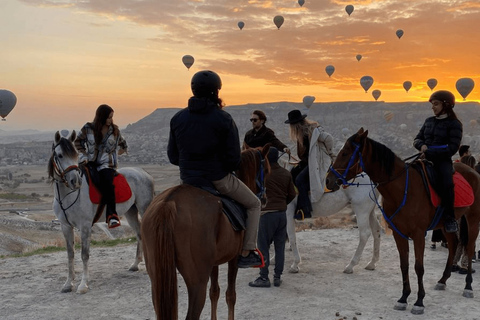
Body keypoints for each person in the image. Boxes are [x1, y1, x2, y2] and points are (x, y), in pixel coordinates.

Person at [167, 70, 262, 268]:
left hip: (188, 180)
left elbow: (173, 157)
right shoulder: (224, 119)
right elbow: (234, 160)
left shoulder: (177, 118)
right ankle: (247, 251)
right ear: (216, 91)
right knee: (254, 204)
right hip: (217, 179)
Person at [413, 90, 462, 233]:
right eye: (432, 105)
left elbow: (452, 148)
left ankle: (450, 218)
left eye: (436, 104)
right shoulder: (429, 121)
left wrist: (431, 151)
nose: (433, 107)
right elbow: (417, 138)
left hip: (442, 161)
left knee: (447, 183)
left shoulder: (454, 124)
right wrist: (421, 146)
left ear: (446, 105)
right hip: (424, 158)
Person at [248, 147, 296, 288]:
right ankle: (277, 277)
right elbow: (292, 195)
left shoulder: (262, 174)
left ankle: (263, 277)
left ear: (266, 159)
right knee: (279, 247)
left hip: (266, 215)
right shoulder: (286, 173)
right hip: (281, 215)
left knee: (263, 247)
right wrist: (282, 203)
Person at [75, 104, 128, 229]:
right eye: (109, 117)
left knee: (108, 184)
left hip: (107, 165)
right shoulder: (88, 128)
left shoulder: (115, 131)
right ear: (102, 117)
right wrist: (84, 155)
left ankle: (112, 215)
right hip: (91, 162)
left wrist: (116, 154)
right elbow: (78, 142)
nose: (110, 120)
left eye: (111, 117)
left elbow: (123, 145)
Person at [285, 110, 334, 220]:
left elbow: (328, 138)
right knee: (291, 174)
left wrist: (329, 153)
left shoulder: (312, 131)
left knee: (299, 180)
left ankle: (305, 210)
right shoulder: (301, 134)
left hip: (316, 162)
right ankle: (300, 200)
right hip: (306, 162)